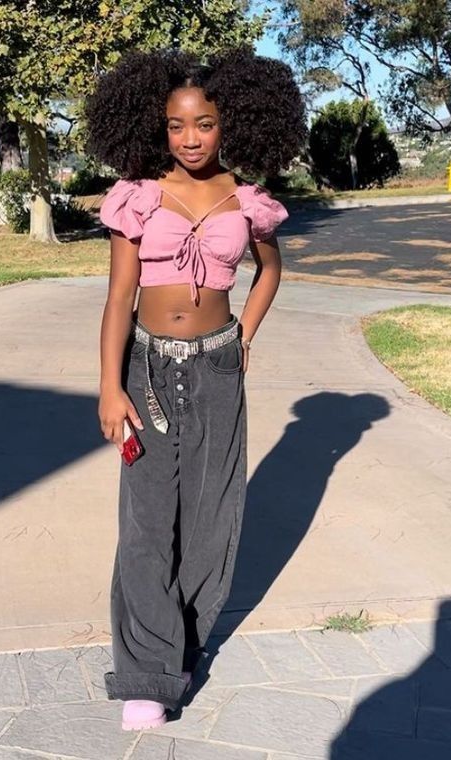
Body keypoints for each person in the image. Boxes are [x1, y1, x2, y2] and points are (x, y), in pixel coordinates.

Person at [84, 47, 306, 731]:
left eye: (203, 123)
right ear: (155, 127)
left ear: (228, 122)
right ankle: (145, 675)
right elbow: (120, 297)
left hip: (215, 368)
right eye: (176, 125)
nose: (189, 138)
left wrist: (243, 336)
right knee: (147, 525)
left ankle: (182, 644)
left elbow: (269, 270)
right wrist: (107, 387)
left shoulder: (247, 200)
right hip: (146, 370)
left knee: (211, 520)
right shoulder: (138, 193)